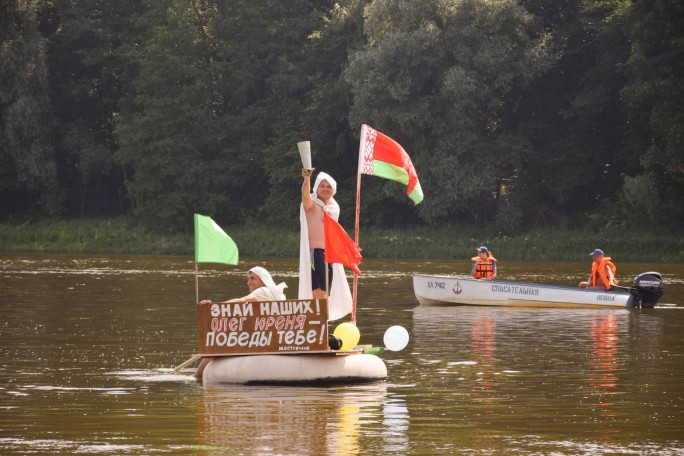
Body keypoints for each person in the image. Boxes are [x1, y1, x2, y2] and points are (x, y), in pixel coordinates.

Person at [194, 266, 287, 378]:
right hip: (264, 336)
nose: (248, 282)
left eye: (252, 278)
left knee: (215, 347)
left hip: (263, 339)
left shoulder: (263, 291)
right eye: (248, 279)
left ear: (262, 281)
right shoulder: (270, 293)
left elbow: (241, 301)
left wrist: (213, 307)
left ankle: (197, 378)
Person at [298, 168, 352, 321]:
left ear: (333, 190)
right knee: (318, 292)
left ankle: (322, 324)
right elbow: (305, 198)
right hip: (315, 253)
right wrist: (307, 180)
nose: (325, 189)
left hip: (330, 256)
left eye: (329, 186)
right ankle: (317, 324)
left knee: (326, 292)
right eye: (322, 185)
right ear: (316, 187)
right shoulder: (311, 203)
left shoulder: (334, 208)